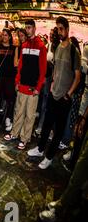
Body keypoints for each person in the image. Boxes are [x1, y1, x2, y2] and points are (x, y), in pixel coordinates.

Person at [27, 17, 81, 169]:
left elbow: (77, 77)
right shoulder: (57, 48)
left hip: (64, 97)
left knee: (58, 130)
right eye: (57, 29)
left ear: (67, 29)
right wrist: (51, 85)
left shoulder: (73, 50)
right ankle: (39, 149)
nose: (59, 31)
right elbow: (56, 70)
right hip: (53, 93)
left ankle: (49, 157)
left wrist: (68, 94)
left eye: (62, 28)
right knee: (46, 126)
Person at [4, 19, 47, 150]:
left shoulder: (41, 46)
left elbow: (43, 70)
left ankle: (24, 138)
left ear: (34, 28)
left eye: (29, 27)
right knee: (18, 112)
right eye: (26, 28)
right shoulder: (24, 45)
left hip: (33, 88)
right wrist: (17, 82)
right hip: (22, 86)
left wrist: (38, 88)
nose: (27, 30)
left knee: (30, 115)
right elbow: (20, 65)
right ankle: (14, 133)